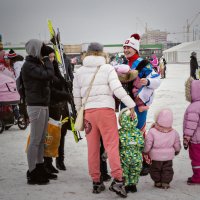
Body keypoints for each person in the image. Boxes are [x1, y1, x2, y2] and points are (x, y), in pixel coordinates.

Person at [73, 42, 136, 198]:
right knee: (111, 146)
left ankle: (96, 181)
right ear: (102, 53)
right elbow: (117, 89)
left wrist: (79, 111)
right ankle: (118, 180)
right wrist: (131, 105)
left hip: (89, 113)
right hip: (106, 112)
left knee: (93, 148)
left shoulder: (79, 72)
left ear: (87, 54)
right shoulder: (107, 68)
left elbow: (76, 96)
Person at [122, 33, 161, 175]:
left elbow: (157, 79)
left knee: (139, 132)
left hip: (139, 105)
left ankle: (144, 161)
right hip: (124, 104)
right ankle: (129, 160)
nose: (126, 50)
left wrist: (148, 82)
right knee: (127, 133)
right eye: (124, 47)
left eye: (129, 47)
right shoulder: (123, 63)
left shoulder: (144, 63)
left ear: (135, 49)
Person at [21, 39, 55, 185]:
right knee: (35, 140)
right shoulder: (28, 66)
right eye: (42, 48)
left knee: (41, 140)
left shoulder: (36, 63)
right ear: (36, 49)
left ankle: (39, 166)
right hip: (36, 106)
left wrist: (47, 59)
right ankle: (32, 171)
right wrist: (47, 58)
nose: (44, 50)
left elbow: (50, 75)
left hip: (42, 105)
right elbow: (47, 75)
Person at [43, 46, 72, 173]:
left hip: (62, 107)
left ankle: (60, 160)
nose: (52, 59)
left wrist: (67, 85)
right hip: (51, 106)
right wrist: (64, 94)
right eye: (49, 57)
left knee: (62, 134)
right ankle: (48, 162)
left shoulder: (55, 68)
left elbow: (61, 83)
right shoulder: (43, 70)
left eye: (53, 57)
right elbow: (49, 90)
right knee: (51, 135)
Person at [144, 108, 181, 189]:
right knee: (167, 169)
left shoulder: (152, 131)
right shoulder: (174, 132)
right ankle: (165, 182)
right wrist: (177, 150)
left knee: (155, 169)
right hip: (168, 157)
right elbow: (177, 143)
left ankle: (157, 182)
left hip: (155, 157)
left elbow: (148, 143)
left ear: (158, 119)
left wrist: (146, 151)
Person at [118, 107, 144, 193]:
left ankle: (126, 185)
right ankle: (133, 185)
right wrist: (139, 150)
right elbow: (141, 144)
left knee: (124, 170)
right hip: (136, 156)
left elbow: (117, 145)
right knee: (135, 170)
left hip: (123, 156)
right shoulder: (138, 132)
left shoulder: (119, 132)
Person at [183, 77, 200, 185]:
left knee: (196, 159)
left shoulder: (194, 107)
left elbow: (191, 126)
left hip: (196, 140)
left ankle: (198, 177)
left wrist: (186, 138)